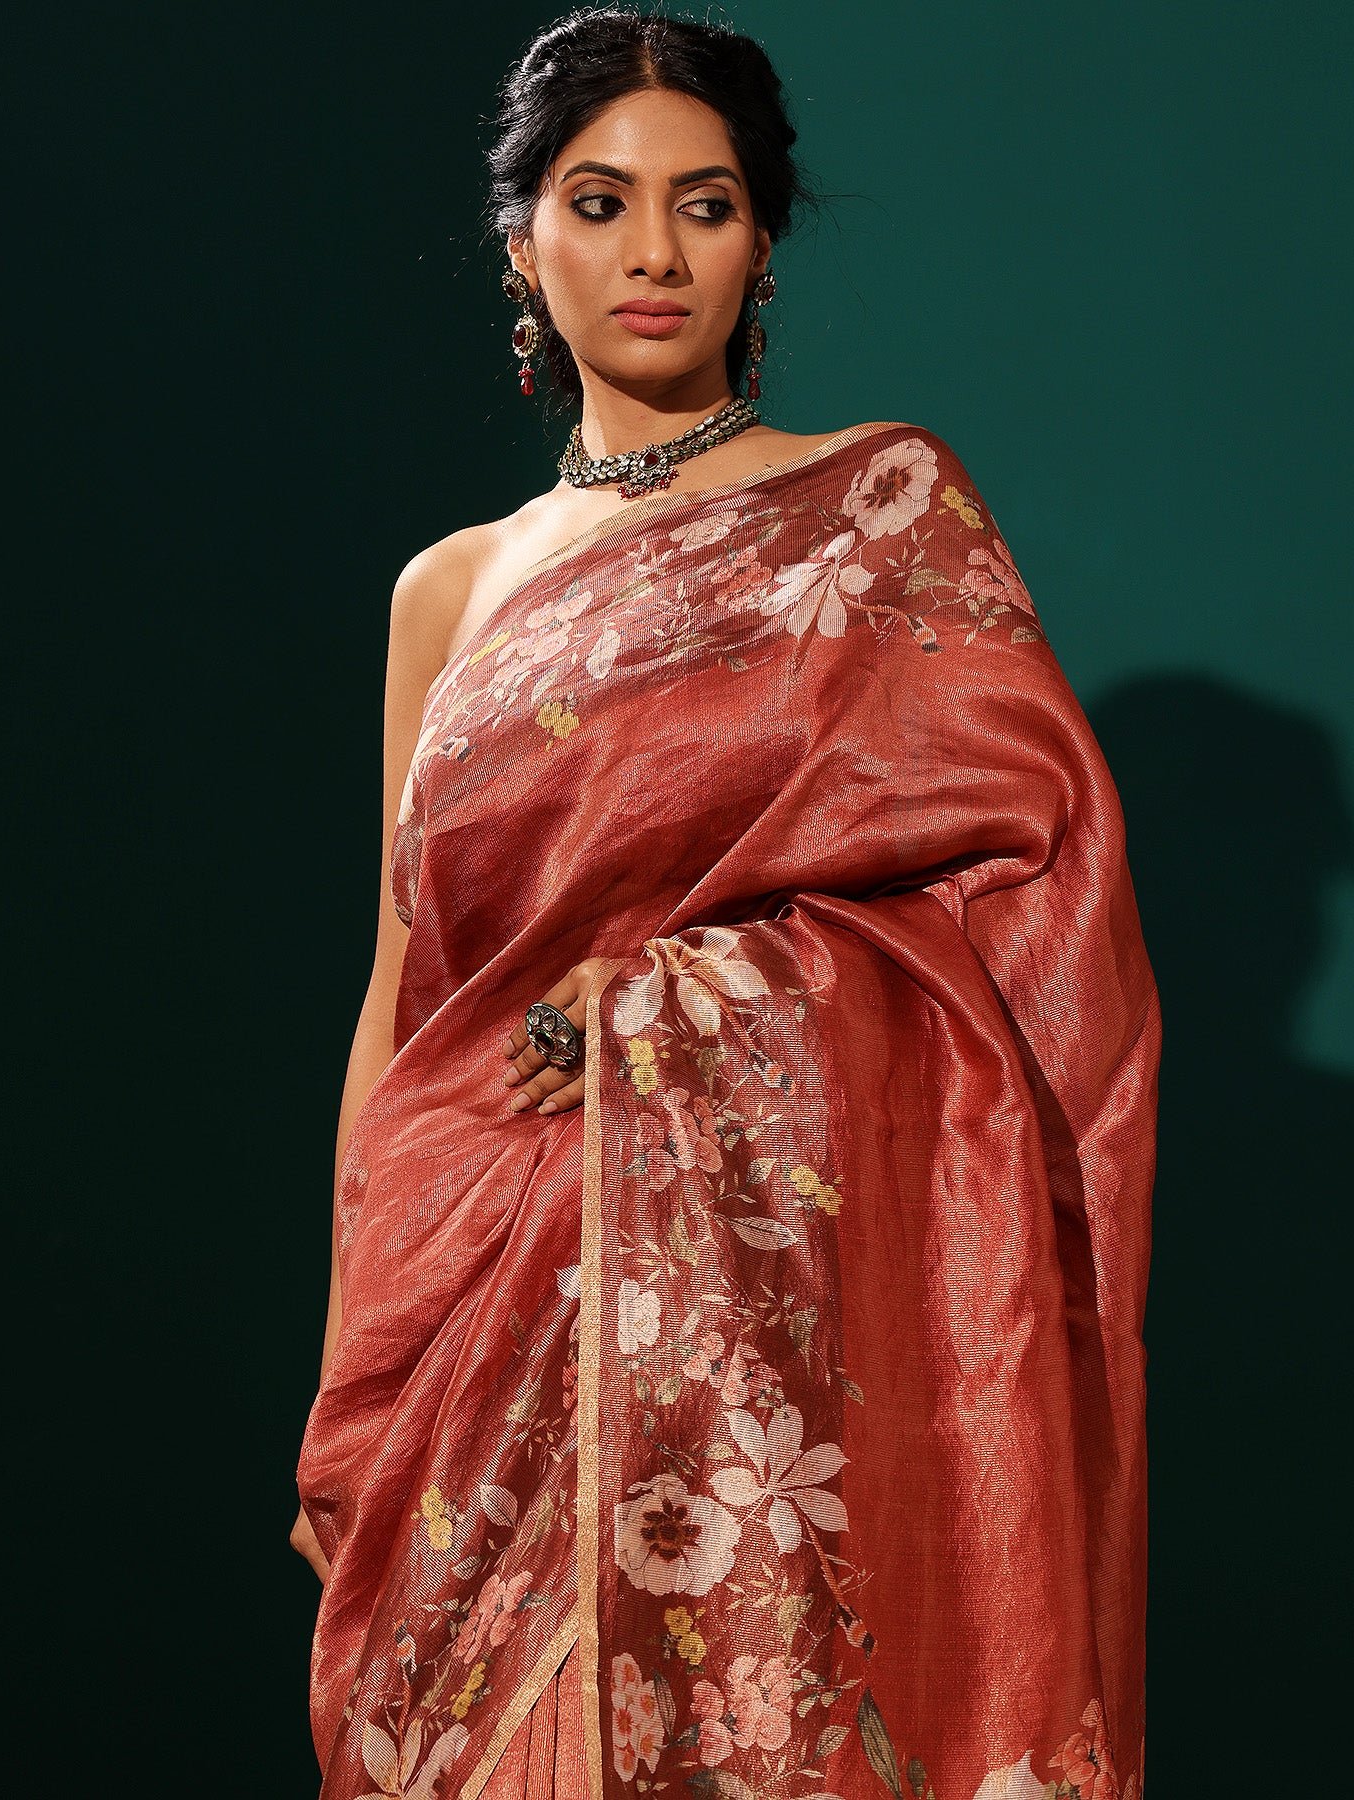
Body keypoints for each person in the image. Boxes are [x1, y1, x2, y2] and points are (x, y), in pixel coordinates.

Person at [291, 8, 1158, 1799]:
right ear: (522, 235)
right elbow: (399, 999)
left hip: (758, 1328)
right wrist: (347, 1387)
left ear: (765, 236)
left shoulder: (881, 520)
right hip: (466, 1300)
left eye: (706, 204)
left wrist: (643, 1014)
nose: (654, 252)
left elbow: (1016, 903)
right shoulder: (447, 592)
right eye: (599, 203)